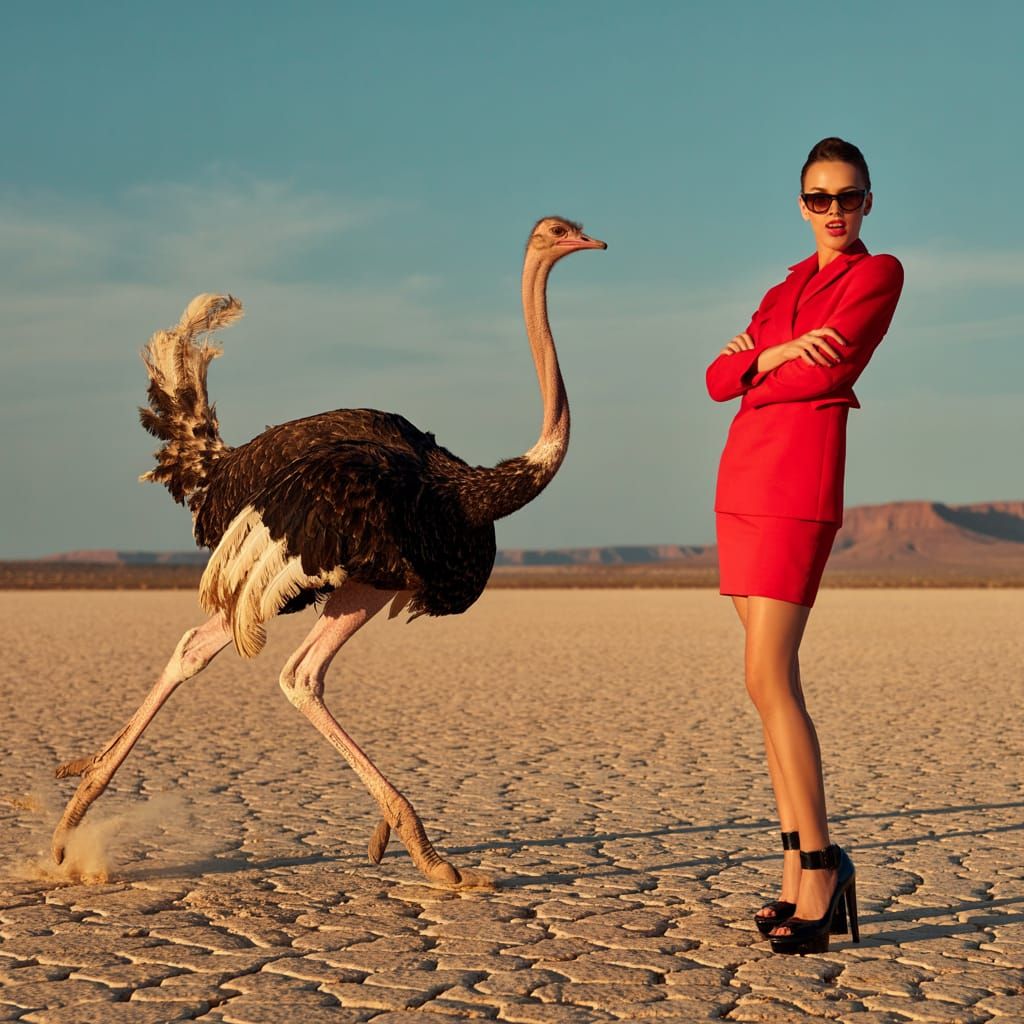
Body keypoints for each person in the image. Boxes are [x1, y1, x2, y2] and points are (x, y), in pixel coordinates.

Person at [705, 137, 904, 955]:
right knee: (762, 685)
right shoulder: (786, 285)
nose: (833, 212)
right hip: (741, 482)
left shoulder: (876, 273)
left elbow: (825, 375)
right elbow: (715, 381)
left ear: (867, 201)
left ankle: (822, 867)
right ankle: (795, 870)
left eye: (847, 197)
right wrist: (774, 352)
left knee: (769, 675)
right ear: (800, 205)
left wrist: (758, 363)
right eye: (819, 199)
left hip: (795, 485)